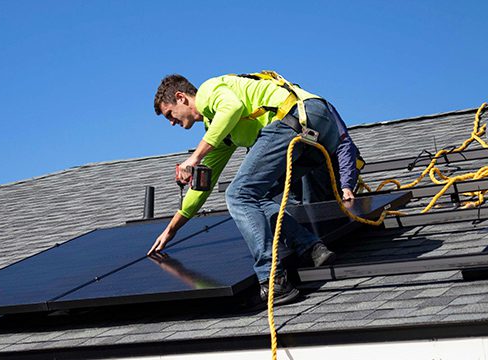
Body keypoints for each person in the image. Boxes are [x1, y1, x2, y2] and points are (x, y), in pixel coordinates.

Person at [147, 73, 360, 305]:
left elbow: (231, 107)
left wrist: (194, 158)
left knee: (238, 195)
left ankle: (273, 280)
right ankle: (311, 246)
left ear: (181, 98)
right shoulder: (218, 131)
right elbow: (202, 187)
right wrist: (171, 230)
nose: (171, 122)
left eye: (170, 114)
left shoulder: (209, 91)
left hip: (295, 116)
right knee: (257, 197)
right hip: (318, 134)